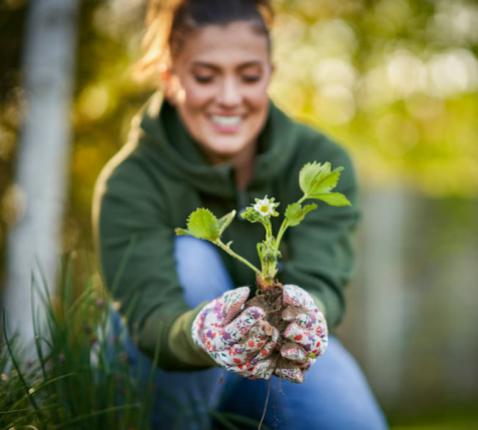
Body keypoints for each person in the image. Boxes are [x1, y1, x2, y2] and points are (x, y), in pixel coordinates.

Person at [92, 0, 388, 428]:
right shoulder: (131, 180)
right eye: (205, 76)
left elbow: (324, 281)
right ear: (170, 78)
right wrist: (203, 334)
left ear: (270, 73)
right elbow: (150, 318)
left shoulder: (319, 160)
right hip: (164, 366)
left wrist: (305, 310)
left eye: (248, 76)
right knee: (192, 258)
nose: (229, 98)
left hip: (275, 357)